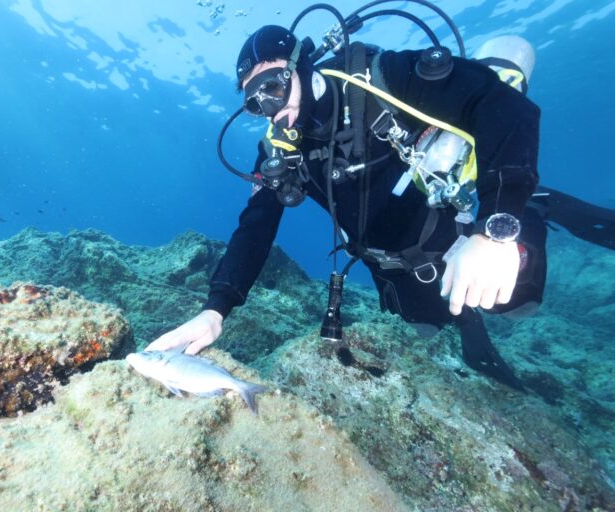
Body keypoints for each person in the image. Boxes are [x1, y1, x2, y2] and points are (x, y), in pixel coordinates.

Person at [147, 22, 549, 390]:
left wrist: (497, 226)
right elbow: (255, 226)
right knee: (426, 330)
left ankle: (534, 210)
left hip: (461, 229)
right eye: (255, 103)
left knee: (518, 303)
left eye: (272, 87)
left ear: (300, 66)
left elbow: (503, 106)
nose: (271, 109)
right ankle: (465, 319)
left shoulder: (386, 79)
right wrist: (216, 309)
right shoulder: (280, 151)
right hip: (393, 264)